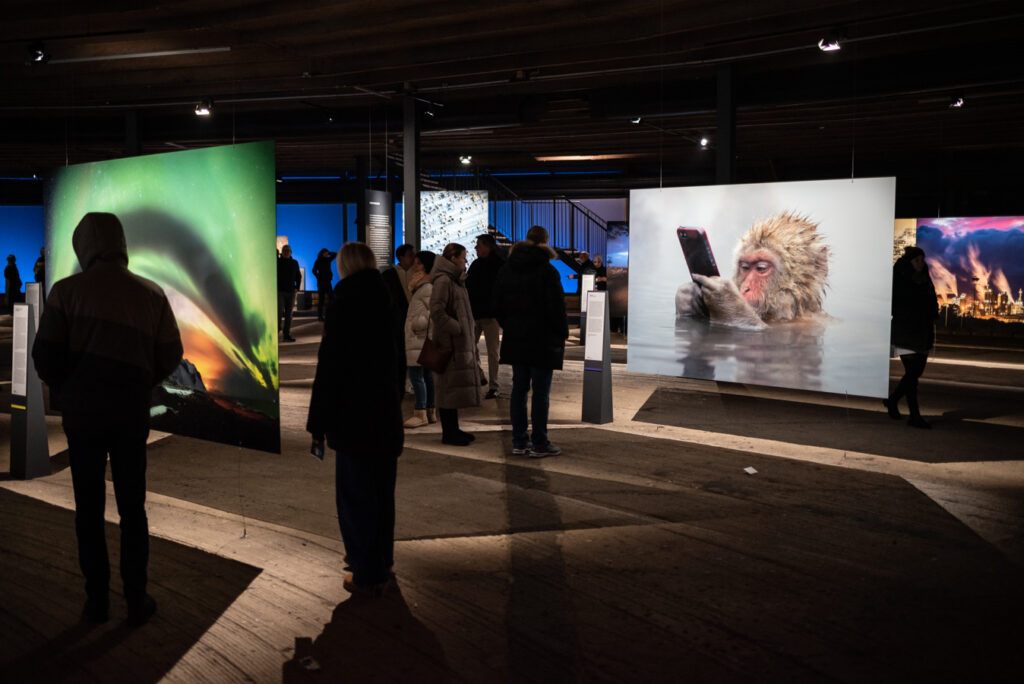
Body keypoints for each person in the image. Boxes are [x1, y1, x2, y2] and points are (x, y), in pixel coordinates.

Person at [32, 212, 183, 625]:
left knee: (88, 507)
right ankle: (137, 598)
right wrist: (141, 380)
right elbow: (171, 354)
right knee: (133, 508)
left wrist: (68, 388)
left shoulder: (66, 293)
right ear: (121, 243)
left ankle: (96, 600)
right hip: (131, 415)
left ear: (84, 245)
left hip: (82, 417)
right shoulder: (151, 294)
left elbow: (44, 356)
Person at [307, 242, 403, 596]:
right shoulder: (387, 299)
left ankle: (365, 572)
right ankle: (382, 560)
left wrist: (318, 421)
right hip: (385, 413)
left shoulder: (344, 303)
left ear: (344, 266)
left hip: (353, 418)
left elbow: (330, 367)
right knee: (381, 495)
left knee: (354, 498)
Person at [493, 225, 568, 457]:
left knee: (519, 389)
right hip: (542, 340)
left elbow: (497, 304)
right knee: (541, 392)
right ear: (546, 242)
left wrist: (512, 326)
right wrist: (560, 334)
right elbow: (556, 308)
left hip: (517, 338)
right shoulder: (547, 271)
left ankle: (519, 441)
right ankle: (539, 443)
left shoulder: (507, 269)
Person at [429, 242, 482, 446]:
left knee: (453, 387)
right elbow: (437, 311)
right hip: (449, 343)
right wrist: (458, 328)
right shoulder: (444, 281)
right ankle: (449, 433)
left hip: (457, 342)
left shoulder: (456, 281)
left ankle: (453, 429)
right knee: (448, 387)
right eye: (462, 257)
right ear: (453, 259)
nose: (465, 261)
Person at [884, 245, 939, 429]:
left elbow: (932, 300)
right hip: (905, 332)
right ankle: (914, 416)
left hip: (922, 332)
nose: (920, 263)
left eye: (922, 260)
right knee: (913, 376)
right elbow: (894, 302)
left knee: (915, 373)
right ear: (909, 261)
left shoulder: (925, 278)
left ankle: (893, 400)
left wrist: (932, 314)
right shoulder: (899, 277)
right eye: (917, 260)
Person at [465, 233, 505, 399]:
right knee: (470, 348)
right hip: (476, 314)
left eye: (479, 245)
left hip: (490, 315)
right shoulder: (477, 264)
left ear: (487, 246)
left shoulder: (498, 265)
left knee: (492, 351)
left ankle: (494, 385)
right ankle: (481, 376)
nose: (475, 248)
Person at [404, 251, 437, 428]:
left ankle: (421, 412)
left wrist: (417, 324)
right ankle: (430, 412)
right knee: (426, 376)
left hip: (419, 337)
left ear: (424, 266)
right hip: (420, 338)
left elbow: (432, 313)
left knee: (417, 376)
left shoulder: (427, 287)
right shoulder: (422, 286)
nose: (414, 267)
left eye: (417, 264)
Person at [383, 244, 416, 397]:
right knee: (400, 354)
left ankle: (414, 384)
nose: (413, 257)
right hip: (398, 321)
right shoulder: (389, 275)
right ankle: (401, 385)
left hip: (416, 320)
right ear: (401, 257)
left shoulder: (418, 273)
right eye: (410, 255)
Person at [277, 244, 302, 342]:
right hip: (280, 291)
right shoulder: (277, 262)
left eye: (288, 250)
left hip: (291, 292)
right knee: (278, 313)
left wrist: (297, 287)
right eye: (285, 250)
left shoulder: (294, 263)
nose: (287, 252)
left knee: (289, 314)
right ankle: (277, 331)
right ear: (282, 252)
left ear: (291, 252)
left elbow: (298, 276)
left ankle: (286, 334)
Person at [312, 247, 337, 321]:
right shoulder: (318, 261)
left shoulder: (328, 259)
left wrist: (328, 253)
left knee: (331, 298)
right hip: (321, 282)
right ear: (322, 253)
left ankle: (331, 315)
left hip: (328, 281)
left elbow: (335, 254)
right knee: (321, 299)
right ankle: (320, 317)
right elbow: (313, 270)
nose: (327, 254)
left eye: (327, 253)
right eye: (325, 253)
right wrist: (318, 277)